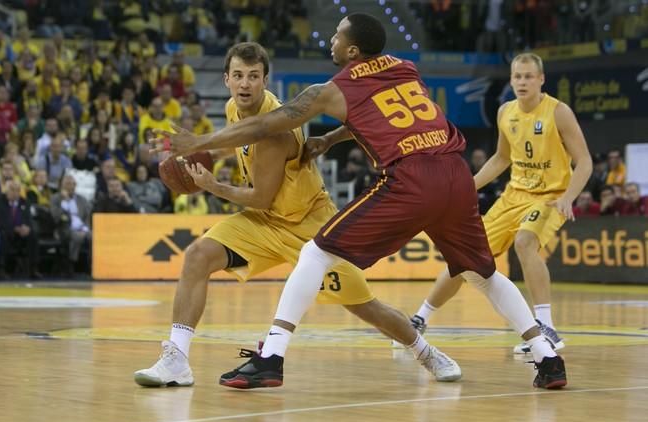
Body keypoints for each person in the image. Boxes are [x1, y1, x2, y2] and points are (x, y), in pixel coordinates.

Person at [154, 15, 566, 389]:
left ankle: (273, 357)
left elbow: (266, 127)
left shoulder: (331, 89)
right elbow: (402, 116)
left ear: (351, 50)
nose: (330, 39)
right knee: (484, 273)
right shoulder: (406, 69)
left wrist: (199, 143)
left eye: (337, 35)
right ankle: (548, 359)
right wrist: (331, 138)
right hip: (453, 172)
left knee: (325, 263)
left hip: (395, 185)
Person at [135, 42, 461, 388]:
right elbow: (239, 146)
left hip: (309, 226)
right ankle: (177, 360)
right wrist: (209, 151)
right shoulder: (234, 108)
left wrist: (212, 186)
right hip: (266, 223)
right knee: (198, 256)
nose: (245, 84)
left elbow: (260, 197)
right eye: (239, 76)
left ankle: (425, 351)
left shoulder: (274, 129)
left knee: (364, 305)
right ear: (226, 79)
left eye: (254, 77)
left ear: (265, 81)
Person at [406, 52, 592, 354]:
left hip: (549, 196)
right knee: (464, 258)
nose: (522, 81)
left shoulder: (558, 112)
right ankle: (420, 318)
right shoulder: (506, 111)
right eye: (517, 76)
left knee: (525, 242)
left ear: (541, 79)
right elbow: (501, 158)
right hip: (513, 196)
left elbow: (584, 162)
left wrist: (568, 197)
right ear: (511, 80)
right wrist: (467, 186)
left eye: (529, 76)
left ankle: (548, 327)